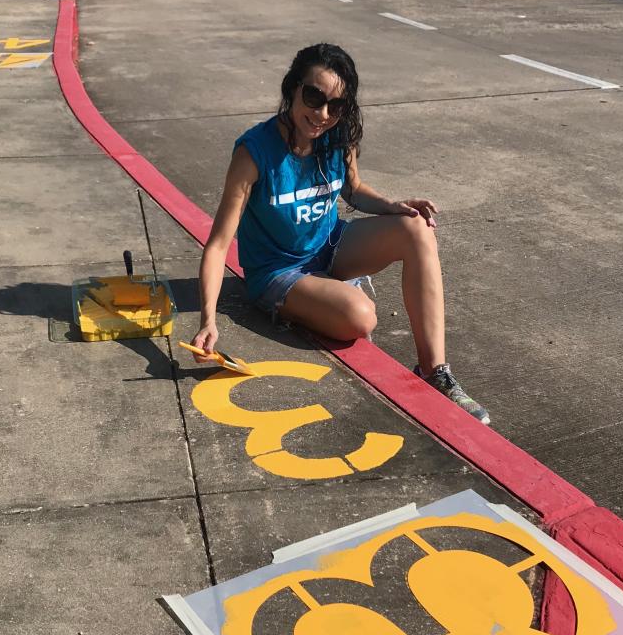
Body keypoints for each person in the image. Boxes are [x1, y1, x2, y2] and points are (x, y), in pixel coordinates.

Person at [191, 43, 489, 422]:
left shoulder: (336, 135)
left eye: (336, 105)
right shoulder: (254, 152)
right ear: (292, 89)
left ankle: (435, 372)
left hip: (329, 246)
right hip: (278, 271)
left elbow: (352, 189)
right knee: (360, 318)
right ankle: (307, 300)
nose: (322, 114)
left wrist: (393, 206)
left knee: (417, 230)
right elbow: (218, 246)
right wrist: (208, 320)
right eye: (313, 97)